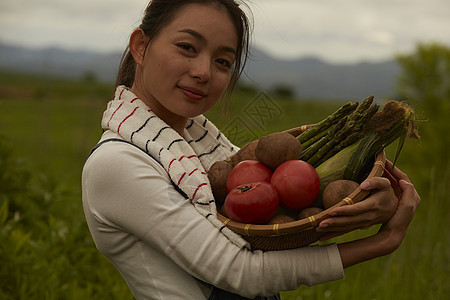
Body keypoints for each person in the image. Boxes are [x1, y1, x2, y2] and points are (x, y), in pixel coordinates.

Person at [81, 1, 421, 299]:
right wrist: (383, 241)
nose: (203, 72)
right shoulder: (117, 163)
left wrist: (365, 204)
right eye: (187, 47)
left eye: (223, 62)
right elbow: (242, 271)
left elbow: (280, 221)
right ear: (140, 46)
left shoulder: (209, 150)